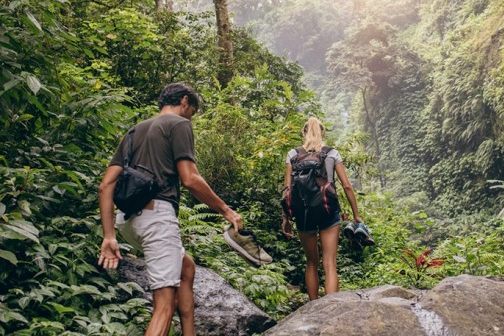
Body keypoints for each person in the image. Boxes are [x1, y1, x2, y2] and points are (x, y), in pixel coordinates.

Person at [97, 83, 264, 336]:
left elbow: (106, 184)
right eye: (192, 112)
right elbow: (190, 178)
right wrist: (226, 211)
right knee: (163, 306)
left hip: (127, 221)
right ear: (185, 101)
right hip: (157, 219)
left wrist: (109, 235)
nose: (191, 118)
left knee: (186, 267)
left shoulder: (134, 131)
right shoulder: (179, 124)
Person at [281, 117, 363, 300]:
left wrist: (285, 219)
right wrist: (356, 215)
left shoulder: (293, 155)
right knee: (330, 264)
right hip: (328, 210)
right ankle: (331, 308)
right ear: (323, 133)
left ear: (303, 133)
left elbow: (287, 190)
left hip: (303, 214)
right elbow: (347, 186)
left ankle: (313, 308)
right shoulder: (332, 153)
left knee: (311, 262)